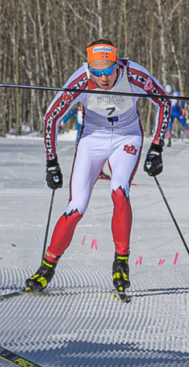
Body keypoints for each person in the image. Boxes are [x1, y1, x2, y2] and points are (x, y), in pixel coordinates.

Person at [26, 39, 169, 299]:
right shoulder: (80, 80)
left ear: (118, 65)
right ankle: (47, 267)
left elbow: (163, 102)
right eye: (97, 73)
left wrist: (157, 147)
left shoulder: (134, 73)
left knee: (119, 190)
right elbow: (51, 117)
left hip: (127, 136)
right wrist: (51, 162)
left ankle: (121, 263)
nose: (103, 78)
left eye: (109, 71)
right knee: (76, 207)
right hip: (93, 138)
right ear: (89, 68)